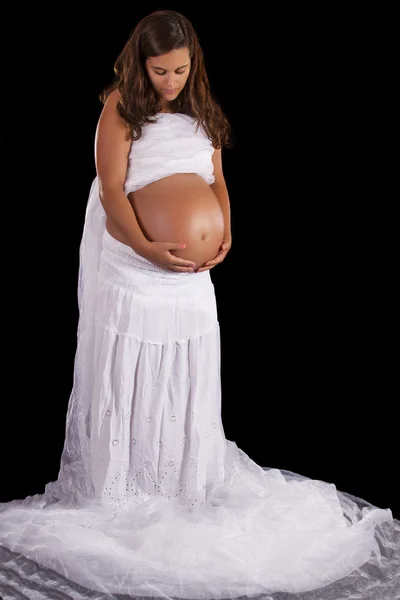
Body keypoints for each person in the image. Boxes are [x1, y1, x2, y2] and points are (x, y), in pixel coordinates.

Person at [0, 10, 398, 600]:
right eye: (160, 70)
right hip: (136, 266)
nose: (170, 81)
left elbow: (215, 179)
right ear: (141, 63)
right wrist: (147, 247)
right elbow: (111, 189)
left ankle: (181, 480)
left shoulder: (201, 111)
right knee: (131, 369)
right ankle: (123, 486)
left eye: (180, 70)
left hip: (187, 279)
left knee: (184, 370)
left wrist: (226, 229)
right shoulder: (119, 108)